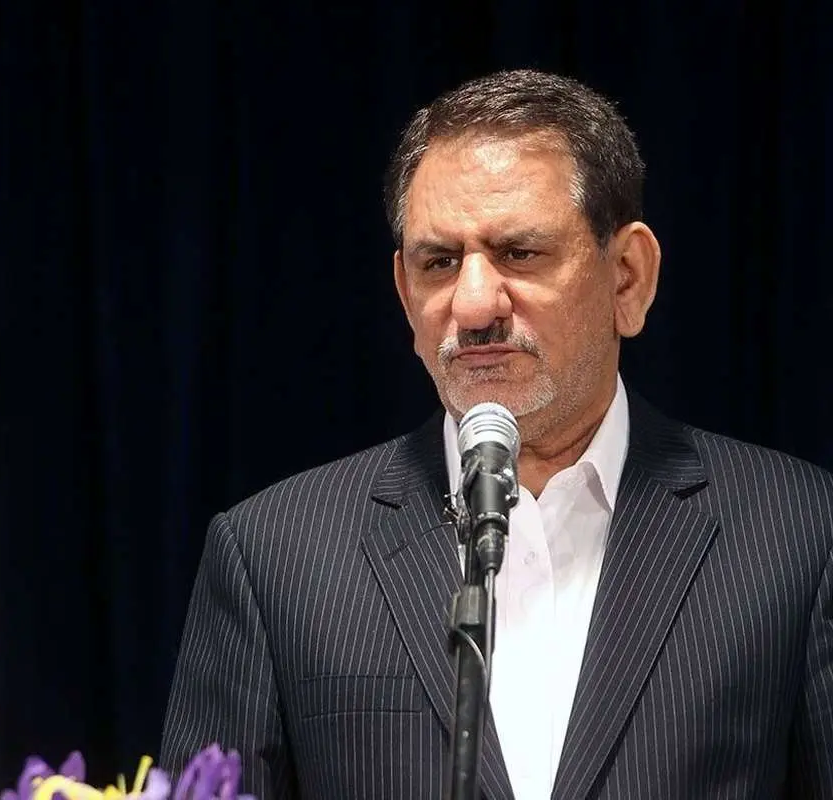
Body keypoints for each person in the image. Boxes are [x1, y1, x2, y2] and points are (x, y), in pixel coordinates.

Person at [158, 68, 833, 799]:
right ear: (404, 293)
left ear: (628, 278)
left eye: (520, 253)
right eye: (439, 263)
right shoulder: (274, 555)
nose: (475, 304)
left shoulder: (799, 533)